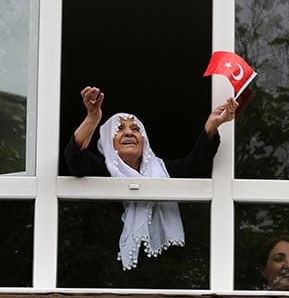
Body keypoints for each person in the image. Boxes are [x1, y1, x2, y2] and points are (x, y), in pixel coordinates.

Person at [64, 86, 238, 270]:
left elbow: (195, 165)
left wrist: (212, 126)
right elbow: (75, 160)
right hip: (101, 269)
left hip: (160, 272)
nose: (129, 133)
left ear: (144, 140)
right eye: (119, 128)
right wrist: (93, 118)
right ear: (108, 141)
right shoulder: (99, 169)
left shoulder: (162, 170)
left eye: (135, 129)